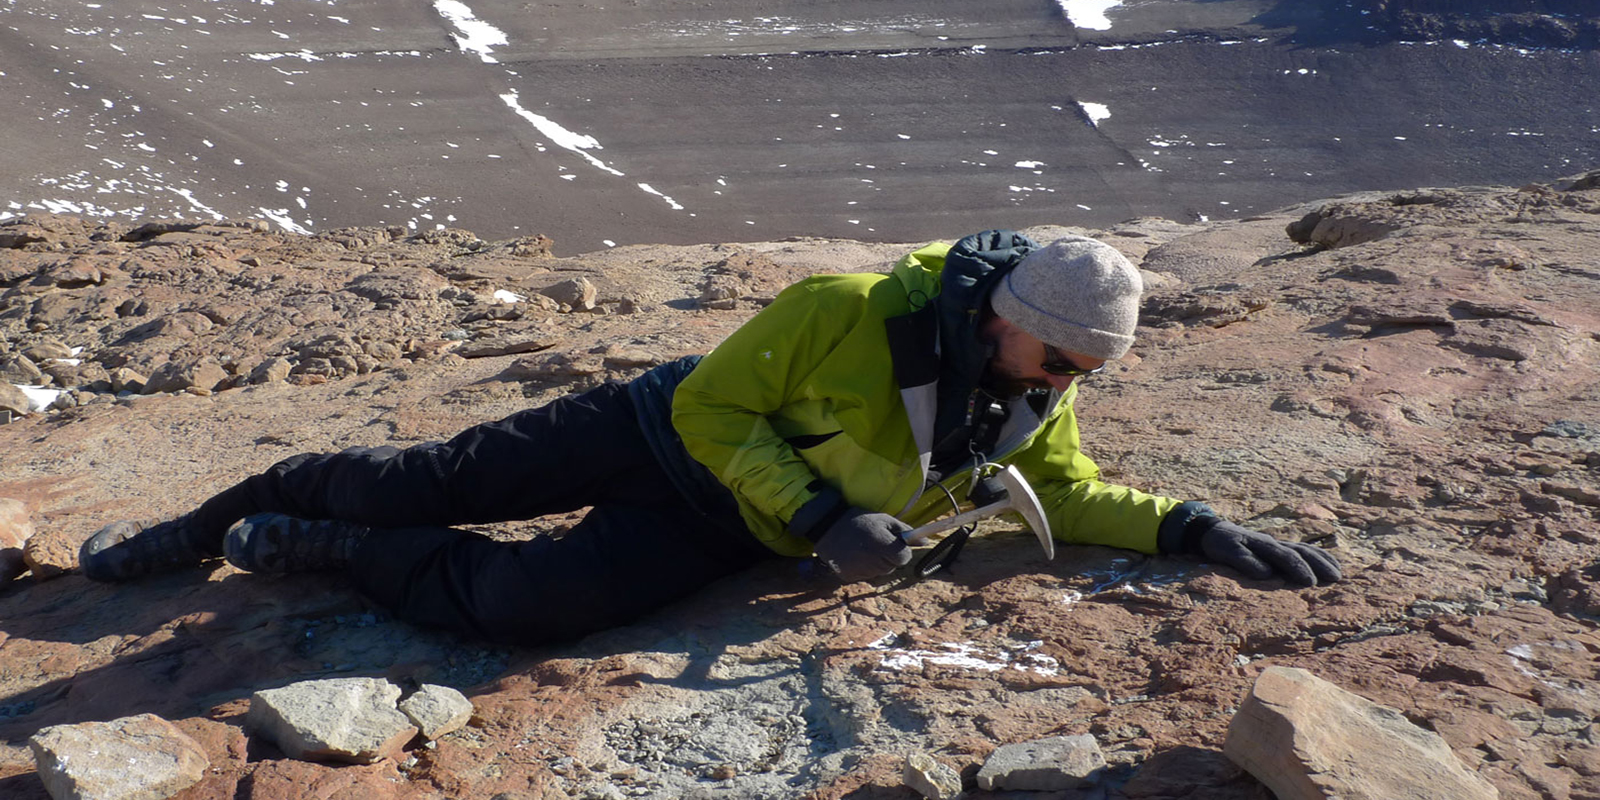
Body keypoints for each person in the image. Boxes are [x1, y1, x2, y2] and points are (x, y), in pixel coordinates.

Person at [79, 230, 1340, 646]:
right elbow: (705, 406)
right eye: (1062, 360)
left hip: (720, 519)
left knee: (527, 609)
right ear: (1010, 316)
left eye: (1083, 374)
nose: (1068, 386)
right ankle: (191, 530)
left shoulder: (1028, 383)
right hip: (649, 433)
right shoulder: (848, 311)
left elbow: (1059, 484)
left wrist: (1188, 524)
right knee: (418, 480)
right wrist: (820, 520)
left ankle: (328, 549)